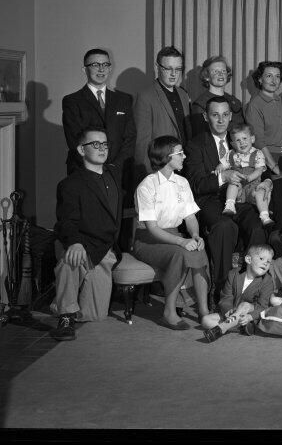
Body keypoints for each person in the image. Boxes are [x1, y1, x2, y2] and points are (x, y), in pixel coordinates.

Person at [182, 95, 266, 304]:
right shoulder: (195, 145)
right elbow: (196, 184)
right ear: (205, 117)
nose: (221, 120)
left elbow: (258, 166)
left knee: (256, 226)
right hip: (211, 200)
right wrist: (222, 177)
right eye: (215, 115)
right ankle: (222, 291)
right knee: (224, 227)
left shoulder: (240, 138)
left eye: (225, 115)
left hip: (242, 198)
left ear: (230, 117)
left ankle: (250, 288)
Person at [50, 127, 122, 341]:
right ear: (82, 150)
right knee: (69, 260)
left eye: (105, 144)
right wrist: (75, 242)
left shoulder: (114, 176)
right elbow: (66, 221)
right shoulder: (70, 184)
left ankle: (60, 302)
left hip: (106, 250)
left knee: (95, 316)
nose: (102, 148)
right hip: (84, 245)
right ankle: (65, 316)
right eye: (95, 144)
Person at [134, 135, 211, 330]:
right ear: (165, 157)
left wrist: (195, 235)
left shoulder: (182, 182)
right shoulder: (147, 186)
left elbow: (190, 217)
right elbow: (152, 228)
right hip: (148, 240)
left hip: (174, 235)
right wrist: (181, 242)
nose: (184, 156)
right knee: (179, 253)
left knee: (198, 249)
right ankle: (169, 312)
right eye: (180, 153)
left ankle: (204, 312)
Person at [61, 49, 136, 194]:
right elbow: (75, 140)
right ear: (85, 70)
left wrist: (115, 167)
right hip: (85, 173)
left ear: (110, 68)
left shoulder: (124, 100)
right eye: (95, 65)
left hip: (119, 173)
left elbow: (130, 138)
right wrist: (97, 168)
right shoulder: (72, 101)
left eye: (105, 64)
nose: (101, 69)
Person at [134, 46, 193, 175]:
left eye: (178, 69)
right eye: (168, 69)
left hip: (183, 167)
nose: (173, 74)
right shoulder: (146, 96)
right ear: (157, 67)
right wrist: (149, 175)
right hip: (160, 169)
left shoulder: (183, 94)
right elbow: (142, 143)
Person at [201, 242, 275, 342]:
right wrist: (228, 310)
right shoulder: (234, 274)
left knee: (244, 305)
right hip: (232, 313)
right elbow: (226, 297)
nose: (265, 263)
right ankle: (242, 328)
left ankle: (222, 328)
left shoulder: (267, 280)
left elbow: (263, 306)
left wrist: (250, 317)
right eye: (262, 259)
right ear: (248, 259)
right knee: (205, 320)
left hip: (251, 315)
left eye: (268, 261)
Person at [216, 122, 272, 219]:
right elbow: (223, 164)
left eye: (245, 138)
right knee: (233, 184)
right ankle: (230, 205)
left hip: (253, 186)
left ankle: (264, 214)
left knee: (260, 192)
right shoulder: (231, 154)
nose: (242, 142)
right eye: (238, 140)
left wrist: (250, 177)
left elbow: (259, 170)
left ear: (252, 139)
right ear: (233, 144)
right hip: (239, 190)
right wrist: (219, 168)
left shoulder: (257, 153)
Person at [244, 60, 282, 175]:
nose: (274, 80)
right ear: (260, 79)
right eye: (269, 76)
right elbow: (258, 141)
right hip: (269, 157)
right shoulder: (255, 105)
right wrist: (274, 167)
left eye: (277, 76)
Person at [189, 56, 244, 135]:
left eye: (223, 71)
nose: (220, 74)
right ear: (207, 77)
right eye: (215, 71)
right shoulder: (200, 104)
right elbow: (200, 134)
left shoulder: (234, 101)